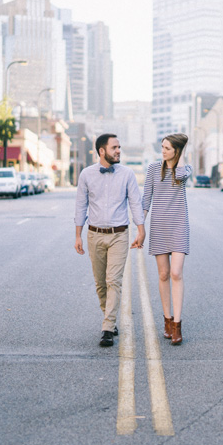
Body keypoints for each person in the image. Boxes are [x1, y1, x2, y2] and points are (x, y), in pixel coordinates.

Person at [75, 134, 145, 347]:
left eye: (119, 147)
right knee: (100, 283)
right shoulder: (86, 174)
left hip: (119, 234)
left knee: (113, 280)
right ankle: (110, 317)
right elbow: (80, 205)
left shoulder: (127, 174)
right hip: (94, 234)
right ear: (102, 151)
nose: (118, 151)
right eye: (114, 147)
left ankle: (107, 327)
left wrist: (141, 230)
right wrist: (77, 235)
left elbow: (135, 203)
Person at [142, 133, 191, 345]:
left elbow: (179, 174)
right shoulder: (153, 168)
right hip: (159, 227)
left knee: (176, 272)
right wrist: (139, 227)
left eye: (168, 148)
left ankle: (178, 325)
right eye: (162, 147)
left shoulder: (184, 169)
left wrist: (180, 157)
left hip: (179, 226)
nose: (163, 151)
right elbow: (146, 198)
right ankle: (167, 320)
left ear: (177, 151)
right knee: (163, 274)